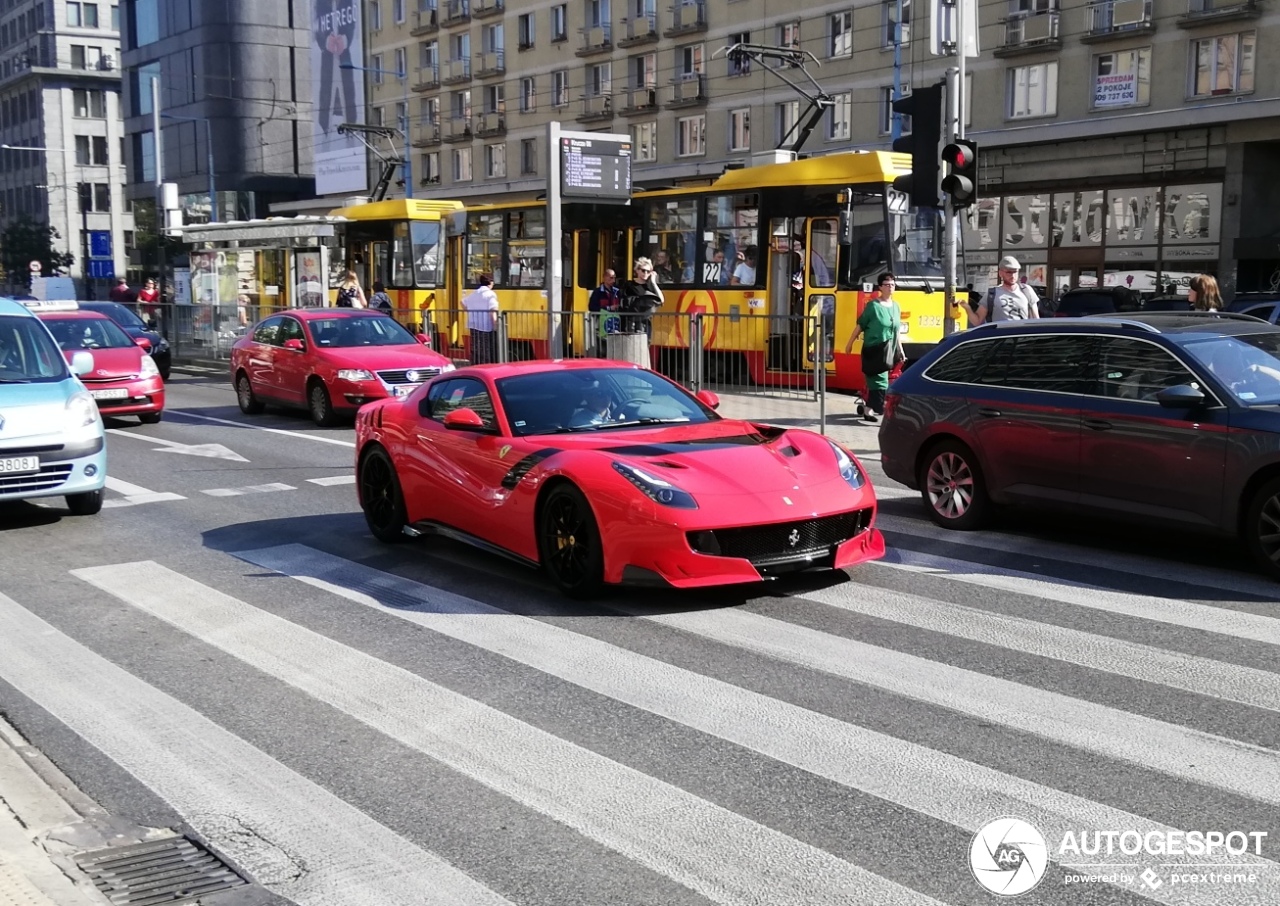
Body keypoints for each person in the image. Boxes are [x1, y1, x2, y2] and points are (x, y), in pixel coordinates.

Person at [844, 272, 903, 423]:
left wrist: (900, 350)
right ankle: (879, 408)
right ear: (880, 287)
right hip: (875, 350)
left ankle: (868, 410)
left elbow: (896, 330)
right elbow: (860, 326)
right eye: (887, 285)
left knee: (881, 380)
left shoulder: (896, 307)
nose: (890, 287)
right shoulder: (873, 306)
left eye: (892, 285)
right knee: (880, 381)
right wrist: (849, 343)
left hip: (889, 350)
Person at [965, 256, 1039, 324]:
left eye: (1015, 272)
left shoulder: (1027, 291)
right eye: (1009, 272)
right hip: (1000, 337)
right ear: (1000, 273)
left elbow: (1036, 320)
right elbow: (977, 321)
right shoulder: (991, 294)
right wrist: (967, 308)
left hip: (1022, 336)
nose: (1013, 276)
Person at [461, 274, 500, 363]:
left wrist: (468, 311)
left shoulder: (475, 293)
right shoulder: (490, 294)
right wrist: (495, 325)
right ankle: (486, 367)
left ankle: (475, 366)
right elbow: (493, 310)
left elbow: (462, 302)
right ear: (490, 282)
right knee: (486, 350)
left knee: (475, 349)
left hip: (473, 325)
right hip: (485, 327)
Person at [620, 258, 664, 334]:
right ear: (637, 270)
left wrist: (653, 283)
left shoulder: (650, 286)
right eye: (643, 270)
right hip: (631, 322)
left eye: (648, 271)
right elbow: (624, 302)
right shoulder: (629, 285)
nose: (646, 273)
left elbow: (661, 300)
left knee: (645, 344)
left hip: (645, 322)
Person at [588, 269, 622, 354]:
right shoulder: (598, 292)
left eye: (614, 278)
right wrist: (609, 308)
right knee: (603, 349)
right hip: (601, 326)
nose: (613, 280)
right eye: (611, 278)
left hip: (616, 325)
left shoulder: (617, 291)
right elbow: (592, 307)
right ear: (604, 278)